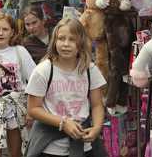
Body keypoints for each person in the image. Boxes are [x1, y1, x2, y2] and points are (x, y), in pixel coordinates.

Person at [25, 18, 106, 157]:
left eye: (72, 39)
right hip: (49, 147)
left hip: (83, 145)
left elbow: (97, 104)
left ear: (81, 43)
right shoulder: (43, 70)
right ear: (54, 41)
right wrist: (63, 123)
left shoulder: (90, 70)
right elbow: (33, 109)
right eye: (61, 38)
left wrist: (97, 127)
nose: (66, 44)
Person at [0, 12, 36, 157]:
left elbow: (35, 81)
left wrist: (31, 110)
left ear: (12, 32)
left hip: (15, 109)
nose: (1, 33)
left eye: (5, 29)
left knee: (16, 152)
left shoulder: (19, 51)